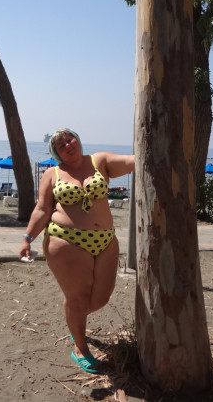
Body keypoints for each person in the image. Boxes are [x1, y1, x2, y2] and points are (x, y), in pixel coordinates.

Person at [19, 128, 134, 374]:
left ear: (77, 140)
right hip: (66, 240)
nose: (68, 145)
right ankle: (80, 348)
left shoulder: (99, 161)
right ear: (56, 153)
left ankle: (74, 317)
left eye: (69, 139)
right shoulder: (52, 174)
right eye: (61, 145)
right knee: (78, 298)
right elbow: (42, 209)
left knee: (101, 298)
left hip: (106, 240)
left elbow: (132, 161)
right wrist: (27, 238)